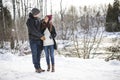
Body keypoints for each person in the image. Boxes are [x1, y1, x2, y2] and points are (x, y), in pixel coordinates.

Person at [26, 8, 45, 73]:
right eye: (38, 13)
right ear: (35, 13)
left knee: (38, 54)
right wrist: (41, 36)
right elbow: (33, 31)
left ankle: (39, 67)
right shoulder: (29, 20)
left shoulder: (39, 19)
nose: (39, 14)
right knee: (35, 54)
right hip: (33, 40)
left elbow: (40, 28)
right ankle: (36, 68)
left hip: (39, 40)